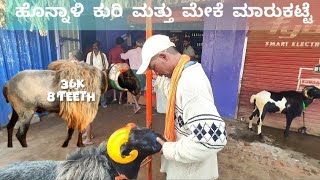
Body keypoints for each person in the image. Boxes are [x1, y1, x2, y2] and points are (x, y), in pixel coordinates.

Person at [136, 35, 227, 179]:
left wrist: (168, 148)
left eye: (154, 67)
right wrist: (159, 79)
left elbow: (212, 139)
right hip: (188, 167)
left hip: (192, 172)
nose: (155, 72)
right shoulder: (184, 72)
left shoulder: (191, 83)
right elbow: (174, 91)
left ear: (163, 56)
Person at [84, 41, 109, 145]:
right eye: (93, 47)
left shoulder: (103, 55)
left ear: (99, 47)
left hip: (100, 75)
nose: (94, 48)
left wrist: (101, 72)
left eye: (96, 47)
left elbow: (106, 66)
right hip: (92, 76)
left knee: (101, 90)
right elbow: (86, 65)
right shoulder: (89, 55)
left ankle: (103, 102)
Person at [120, 38, 146, 113]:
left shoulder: (131, 51)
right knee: (139, 90)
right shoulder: (145, 52)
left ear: (136, 43)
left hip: (134, 72)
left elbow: (123, 57)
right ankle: (136, 106)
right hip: (142, 72)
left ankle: (137, 105)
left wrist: (121, 53)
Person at [109, 37, 125, 104]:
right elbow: (125, 60)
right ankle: (120, 99)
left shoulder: (111, 50)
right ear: (122, 43)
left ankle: (115, 97)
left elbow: (109, 60)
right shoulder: (123, 50)